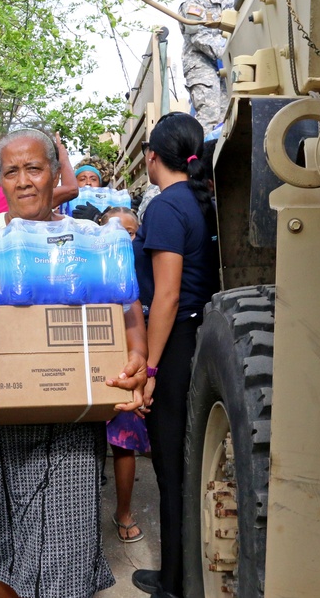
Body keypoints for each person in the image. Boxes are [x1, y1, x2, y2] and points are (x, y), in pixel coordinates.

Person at [0, 128, 150, 598]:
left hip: (66, 421)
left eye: (34, 168)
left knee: (63, 553)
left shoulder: (88, 239)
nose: (24, 181)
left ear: (53, 174)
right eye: (12, 171)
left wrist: (137, 357)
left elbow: (127, 312)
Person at [129, 113, 220, 598]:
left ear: (152, 158)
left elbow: (165, 298)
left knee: (170, 464)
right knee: (188, 461)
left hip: (176, 339)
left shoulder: (166, 208)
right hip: (198, 334)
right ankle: (185, 572)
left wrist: (150, 369)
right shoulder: (203, 201)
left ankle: (175, 582)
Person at [99, 207, 151, 544]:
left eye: (130, 232)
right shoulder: (91, 268)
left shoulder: (144, 275)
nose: (122, 237)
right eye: (114, 230)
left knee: (123, 444)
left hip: (125, 368)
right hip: (94, 367)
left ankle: (124, 512)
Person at [179, 0, 231, 135]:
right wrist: (225, 49)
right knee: (209, 115)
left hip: (222, 67)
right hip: (200, 65)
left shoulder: (228, 3)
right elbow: (197, 36)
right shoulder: (194, 3)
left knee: (226, 117)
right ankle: (199, 160)